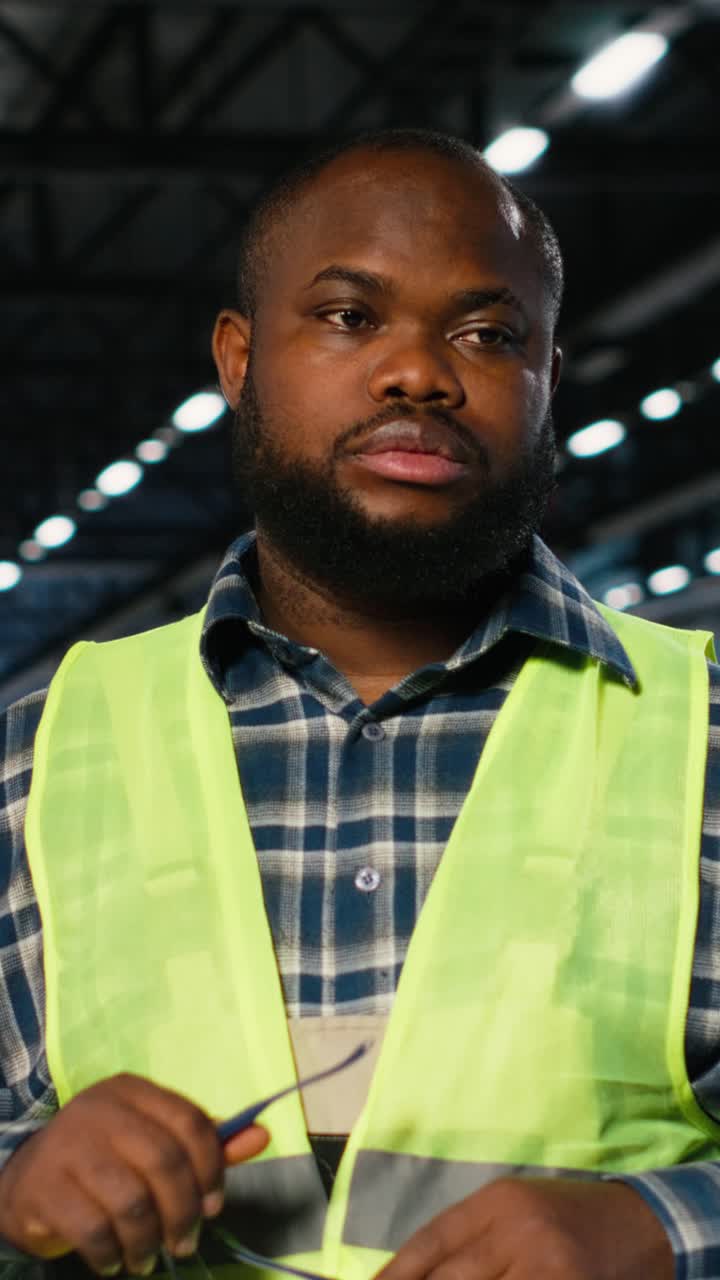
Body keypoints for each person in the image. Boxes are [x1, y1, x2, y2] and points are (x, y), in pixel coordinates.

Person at [1, 126, 719, 1280]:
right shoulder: (37, 763)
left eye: (489, 333)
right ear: (239, 360)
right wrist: (13, 1184)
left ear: (546, 377)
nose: (421, 373)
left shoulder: (703, 737)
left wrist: (663, 1229)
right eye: (349, 316)